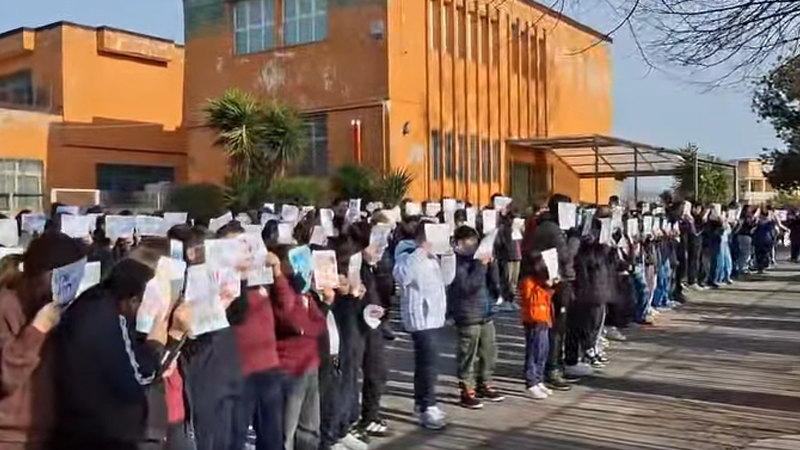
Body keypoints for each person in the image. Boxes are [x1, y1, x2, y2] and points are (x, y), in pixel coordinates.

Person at [54, 249, 187, 450]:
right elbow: (142, 374)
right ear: (133, 299)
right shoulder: (111, 318)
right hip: (106, 432)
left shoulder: (90, 302)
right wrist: (164, 340)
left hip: (84, 425)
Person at [0, 232, 85, 450]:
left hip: (47, 434)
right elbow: (5, 376)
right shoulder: (5, 307)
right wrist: (37, 330)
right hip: (9, 438)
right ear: (39, 274)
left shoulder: (59, 312)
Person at [393, 220, 456, 430]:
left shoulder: (433, 257)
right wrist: (421, 251)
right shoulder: (407, 252)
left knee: (427, 362)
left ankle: (422, 402)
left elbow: (447, 279)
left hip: (435, 315)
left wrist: (448, 256)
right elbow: (402, 276)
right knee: (428, 362)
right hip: (420, 317)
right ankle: (427, 405)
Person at [447, 226, 504, 410]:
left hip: (486, 312)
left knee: (489, 350)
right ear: (459, 243)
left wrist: (492, 264)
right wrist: (481, 265)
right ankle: (467, 389)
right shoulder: (455, 262)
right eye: (468, 243)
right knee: (468, 353)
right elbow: (467, 287)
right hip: (467, 313)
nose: (472, 246)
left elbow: (493, 283)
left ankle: (485, 382)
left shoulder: (478, 259)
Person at [518, 250, 554, 400]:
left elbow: (547, 297)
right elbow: (531, 299)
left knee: (543, 350)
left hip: (544, 317)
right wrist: (544, 286)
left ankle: (539, 378)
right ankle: (531, 381)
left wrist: (550, 286)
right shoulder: (527, 280)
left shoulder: (540, 280)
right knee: (534, 350)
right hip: (533, 319)